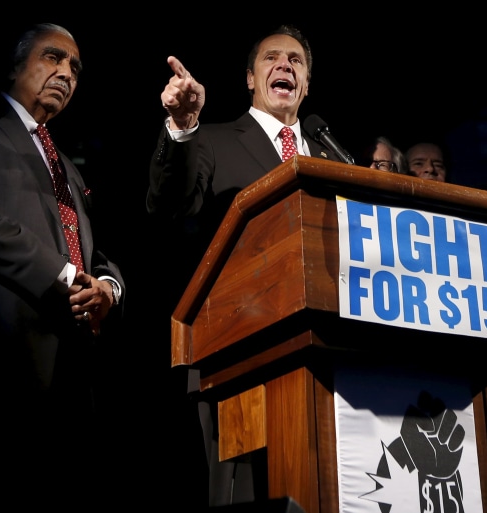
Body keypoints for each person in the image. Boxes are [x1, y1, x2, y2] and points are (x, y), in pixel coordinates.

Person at [0, 23, 125, 499]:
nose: (66, 73)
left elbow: (99, 251)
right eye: (52, 57)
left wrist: (108, 288)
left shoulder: (66, 166)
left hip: (75, 371)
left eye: (74, 67)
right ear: (15, 65)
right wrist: (67, 276)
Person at [145, 25, 340, 508]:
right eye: (271, 58)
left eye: (295, 61)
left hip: (331, 349)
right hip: (239, 350)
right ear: (250, 79)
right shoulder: (211, 140)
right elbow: (170, 205)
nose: (284, 66)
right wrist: (182, 127)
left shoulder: (331, 154)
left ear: (308, 83)